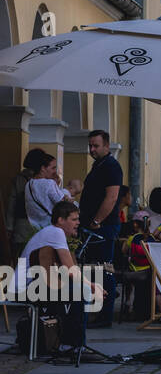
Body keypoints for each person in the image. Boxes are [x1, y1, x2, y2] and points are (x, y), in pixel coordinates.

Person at [19, 199, 105, 310]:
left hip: (31, 286)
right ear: (61, 220)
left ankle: (62, 325)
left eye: (78, 219)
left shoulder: (51, 232)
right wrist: (92, 285)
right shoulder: (56, 232)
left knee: (78, 288)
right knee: (84, 290)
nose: (78, 223)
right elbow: (71, 269)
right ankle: (73, 327)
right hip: (28, 288)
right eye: (74, 219)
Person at [78, 130, 123, 263]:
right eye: (90, 146)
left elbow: (112, 197)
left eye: (96, 146)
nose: (92, 149)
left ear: (106, 146)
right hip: (93, 225)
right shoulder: (99, 164)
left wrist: (96, 221)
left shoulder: (111, 166)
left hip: (102, 226)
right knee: (92, 269)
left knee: (102, 269)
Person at [23, 150, 71, 233]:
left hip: (34, 229)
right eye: (53, 168)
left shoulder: (29, 184)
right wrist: (67, 193)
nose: (55, 171)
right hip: (50, 228)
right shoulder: (49, 183)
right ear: (43, 168)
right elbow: (62, 204)